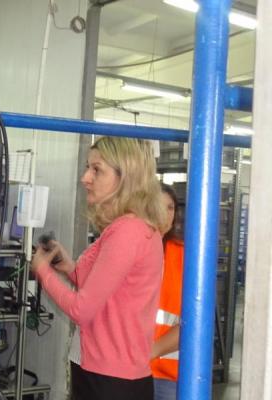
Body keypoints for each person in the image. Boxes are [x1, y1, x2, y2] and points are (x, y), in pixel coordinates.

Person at [30, 137, 165, 400]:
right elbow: (108, 292)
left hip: (111, 380)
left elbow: (82, 309)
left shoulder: (128, 231)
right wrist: (69, 268)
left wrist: (43, 271)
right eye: (87, 168)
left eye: (97, 170)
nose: (85, 178)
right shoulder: (128, 227)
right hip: (108, 372)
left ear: (125, 177)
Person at [150, 184, 185, 400]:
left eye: (170, 207)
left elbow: (195, 320)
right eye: (158, 206)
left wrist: (151, 351)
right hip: (128, 369)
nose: (165, 214)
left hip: (168, 375)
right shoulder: (128, 250)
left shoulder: (184, 256)